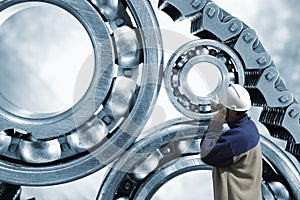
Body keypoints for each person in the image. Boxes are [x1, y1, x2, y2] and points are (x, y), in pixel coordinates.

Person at [200, 84, 262, 200]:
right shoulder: (249, 128)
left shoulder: (235, 140)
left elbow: (206, 153)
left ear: (228, 110)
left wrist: (216, 123)